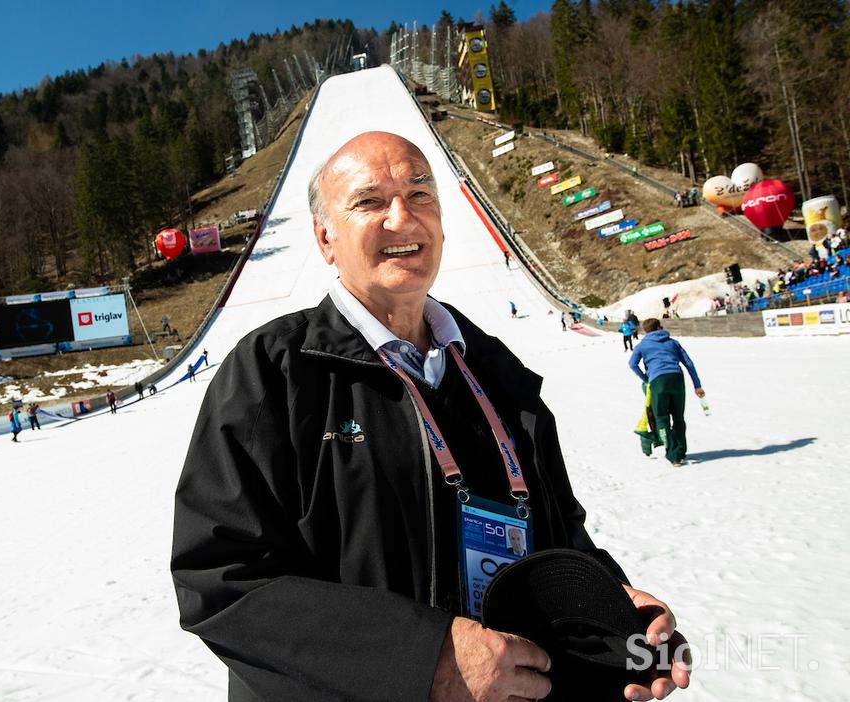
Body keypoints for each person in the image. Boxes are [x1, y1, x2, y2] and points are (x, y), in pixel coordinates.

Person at [172, 132, 688, 702]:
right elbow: (222, 580)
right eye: (369, 202)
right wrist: (424, 657)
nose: (403, 218)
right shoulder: (273, 373)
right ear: (325, 238)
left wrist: (612, 609)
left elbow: (557, 531)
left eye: (421, 195)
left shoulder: (494, 370)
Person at [628, 318, 705, 467]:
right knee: (678, 418)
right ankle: (680, 452)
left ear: (646, 330)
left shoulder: (642, 345)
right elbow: (688, 363)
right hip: (677, 378)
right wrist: (697, 385)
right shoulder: (672, 342)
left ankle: (672, 454)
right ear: (659, 327)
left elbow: (632, 364)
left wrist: (646, 378)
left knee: (662, 418)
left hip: (658, 381)